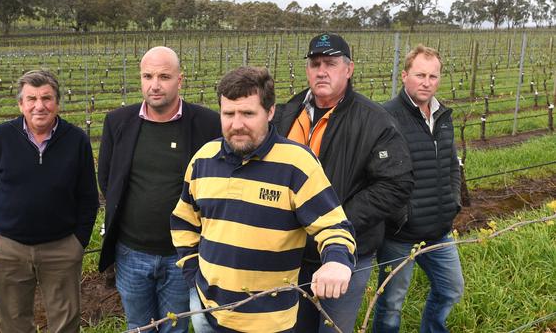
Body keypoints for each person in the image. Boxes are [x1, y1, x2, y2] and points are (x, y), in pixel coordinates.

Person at [171, 66, 357, 332]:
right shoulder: (203, 159)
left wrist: (337, 261)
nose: (236, 125)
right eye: (228, 114)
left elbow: (334, 226)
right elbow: (184, 221)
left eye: (248, 113)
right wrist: (194, 276)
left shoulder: (297, 164)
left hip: (271, 322)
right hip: (208, 313)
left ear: (270, 112)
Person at [273, 33, 414, 333]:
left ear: (348, 69)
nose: (321, 70)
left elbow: (395, 184)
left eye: (330, 63)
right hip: (291, 252)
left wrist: (336, 223)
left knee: (333, 328)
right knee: (292, 326)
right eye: (315, 63)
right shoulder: (288, 113)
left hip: (348, 254)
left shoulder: (374, 120)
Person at [97, 46, 221, 332]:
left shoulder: (207, 123)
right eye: (147, 76)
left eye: (164, 76)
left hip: (182, 254)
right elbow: (107, 178)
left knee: (173, 327)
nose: (155, 85)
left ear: (180, 80)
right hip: (131, 253)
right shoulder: (118, 121)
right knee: (138, 325)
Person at [0, 70, 99, 333]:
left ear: (57, 103)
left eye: (46, 98)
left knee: (65, 321)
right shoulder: (0, 137)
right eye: (31, 99)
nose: (39, 106)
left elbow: (88, 197)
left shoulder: (76, 140)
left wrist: (79, 242)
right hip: (10, 247)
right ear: (20, 104)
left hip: (62, 246)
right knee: (13, 321)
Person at [373, 45, 464, 333]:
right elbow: (375, 174)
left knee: (451, 289)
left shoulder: (442, 116)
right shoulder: (386, 117)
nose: (427, 82)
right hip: (400, 234)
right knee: (391, 304)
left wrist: (453, 202)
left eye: (433, 76)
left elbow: (452, 165)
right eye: (420, 75)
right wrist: (399, 216)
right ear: (404, 76)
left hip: (439, 230)